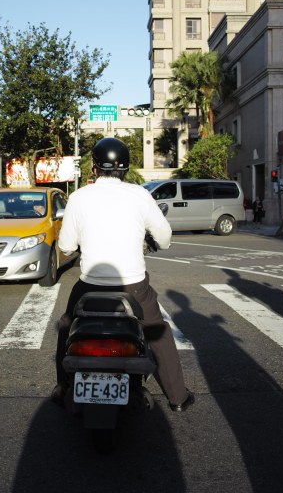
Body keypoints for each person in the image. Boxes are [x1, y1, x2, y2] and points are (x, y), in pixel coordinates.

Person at [52, 137, 194, 412]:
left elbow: (66, 247)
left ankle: (62, 387)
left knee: (66, 326)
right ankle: (177, 398)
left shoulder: (79, 197)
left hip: (89, 286)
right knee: (158, 332)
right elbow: (164, 238)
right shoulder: (140, 194)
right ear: (125, 168)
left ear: (94, 168)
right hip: (135, 288)